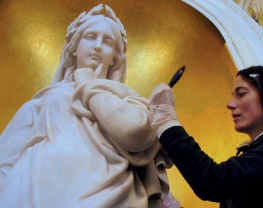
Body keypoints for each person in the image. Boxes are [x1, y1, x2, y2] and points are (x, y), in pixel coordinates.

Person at [0, 4, 180, 208]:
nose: (97, 46)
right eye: (90, 36)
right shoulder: (44, 99)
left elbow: (135, 132)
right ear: (74, 48)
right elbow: (5, 160)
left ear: (115, 56)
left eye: (107, 41)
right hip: (32, 190)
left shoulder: (127, 100)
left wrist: (89, 86)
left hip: (108, 195)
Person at [149, 65, 263, 208]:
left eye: (241, 94)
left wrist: (167, 122)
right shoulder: (252, 155)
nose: (230, 104)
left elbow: (213, 182)